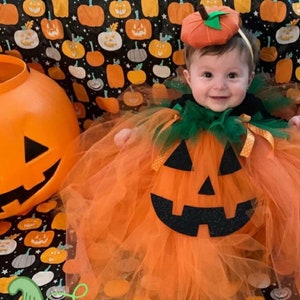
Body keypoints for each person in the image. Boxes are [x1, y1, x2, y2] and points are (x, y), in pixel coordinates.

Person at [60, 5, 300, 300]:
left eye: (232, 76)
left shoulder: (250, 109)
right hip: (182, 191)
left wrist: (290, 126)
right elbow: (155, 129)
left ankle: (240, 244)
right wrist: (135, 134)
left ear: (249, 79)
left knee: (263, 208)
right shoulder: (181, 110)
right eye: (208, 75)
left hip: (242, 183)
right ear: (189, 78)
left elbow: (271, 127)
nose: (219, 86)